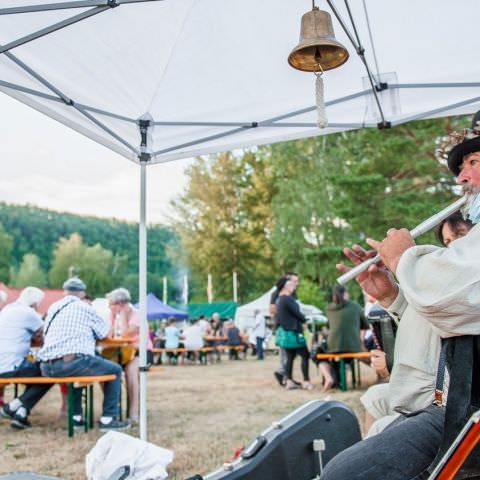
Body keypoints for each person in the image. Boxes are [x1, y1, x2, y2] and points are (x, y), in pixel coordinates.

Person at [321, 115, 480, 479]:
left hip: (467, 414)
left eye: (472, 161)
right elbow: (453, 315)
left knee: (347, 475)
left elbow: (445, 295)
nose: (461, 178)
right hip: (455, 406)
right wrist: (394, 295)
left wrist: (405, 257)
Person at [361, 211, 475, 437]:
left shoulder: (470, 278)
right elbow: (428, 325)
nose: (454, 246)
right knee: (375, 398)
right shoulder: (448, 285)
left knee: (354, 459)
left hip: (453, 399)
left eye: (461, 235)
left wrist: (403, 260)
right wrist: (391, 296)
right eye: (448, 242)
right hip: (434, 389)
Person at [38, 277, 129, 431]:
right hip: (71, 363)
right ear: (82, 293)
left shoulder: (53, 307)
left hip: (46, 366)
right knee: (115, 370)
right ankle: (108, 419)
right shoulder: (85, 307)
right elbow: (103, 333)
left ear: (65, 292)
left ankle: (76, 418)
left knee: (79, 370)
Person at [0, 287, 51, 429]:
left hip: (3, 364)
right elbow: (47, 333)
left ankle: (21, 414)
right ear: (35, 303)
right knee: (49, 372)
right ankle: (14, 406)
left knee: (35, 372)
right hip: (12, 366)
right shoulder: (28, 312)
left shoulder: (7, 309)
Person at [107, 287, 152, 423]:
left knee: (131, 371)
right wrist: (114, 319)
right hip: (121, 352)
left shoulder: (137, 315)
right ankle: (113, 409)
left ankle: (133, 413)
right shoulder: (113, 315)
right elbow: (109, 335)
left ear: (120, 305)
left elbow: (126, 333)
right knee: (106, 370)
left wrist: (124, 317)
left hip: (141, 352)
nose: (109, 308)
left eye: (111, 305)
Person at [276, 279, 313, 390]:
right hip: (294, 332)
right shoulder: (287, 299)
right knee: (305, 355)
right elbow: (297, 314)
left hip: (286, 333)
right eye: (291, 284)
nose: (294, 286)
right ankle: (306, 381)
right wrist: (304, 320)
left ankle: (289, 381)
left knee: (290, 357)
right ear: (284, 287)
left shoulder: (279, 300)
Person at [270, 272, 299, 386]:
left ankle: (287, 376)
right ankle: (283, 374)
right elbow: (271, 310)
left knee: (292, 354)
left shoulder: (293, 293)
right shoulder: (276, 293)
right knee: (285, 355)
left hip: (294, 327)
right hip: (283, 327)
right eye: (295, 281)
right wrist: (284, 312)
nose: (297, 283)